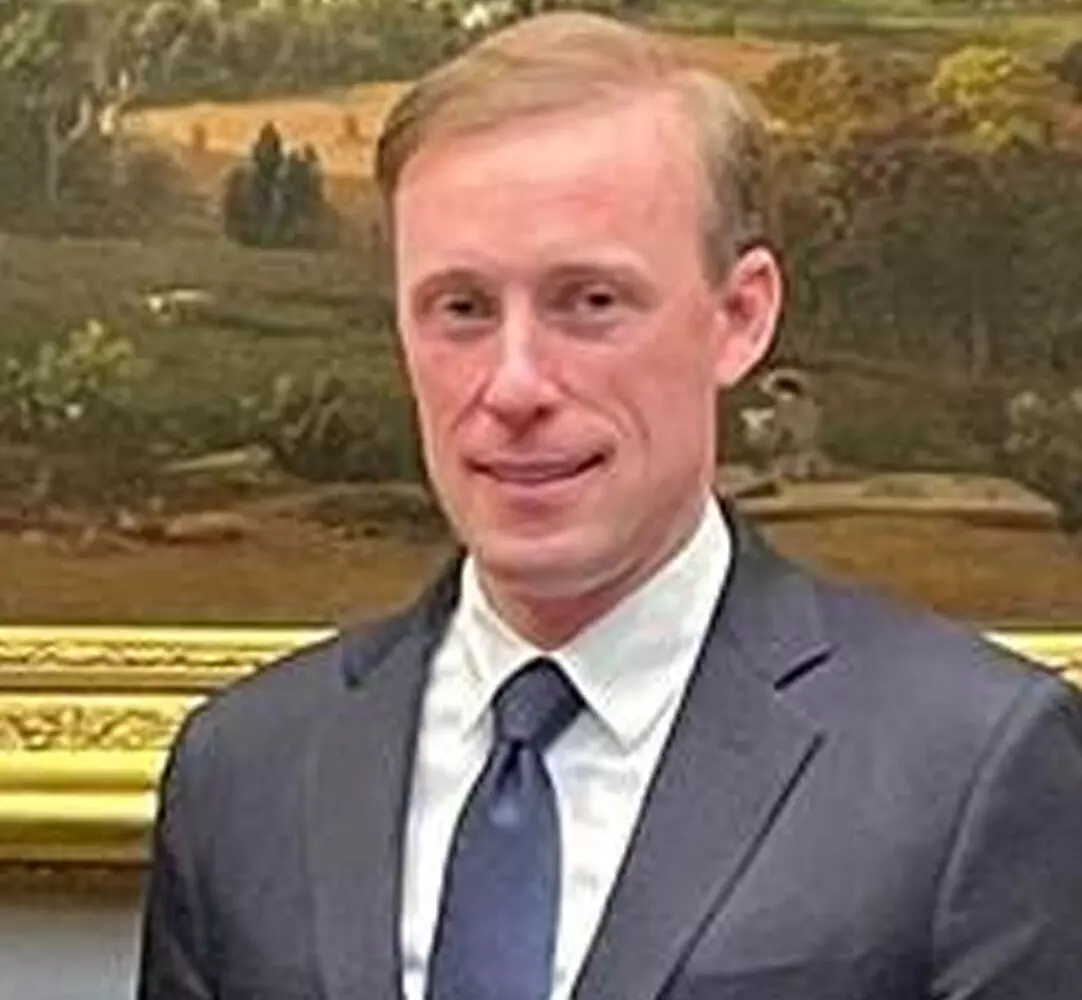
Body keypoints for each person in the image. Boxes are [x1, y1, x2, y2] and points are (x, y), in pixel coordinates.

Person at [136, 12, 1082, 1000]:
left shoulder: (969, 768)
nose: (514, 385)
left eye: (589, 302)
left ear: (739, 316)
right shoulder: (246, 770)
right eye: (461, 308)